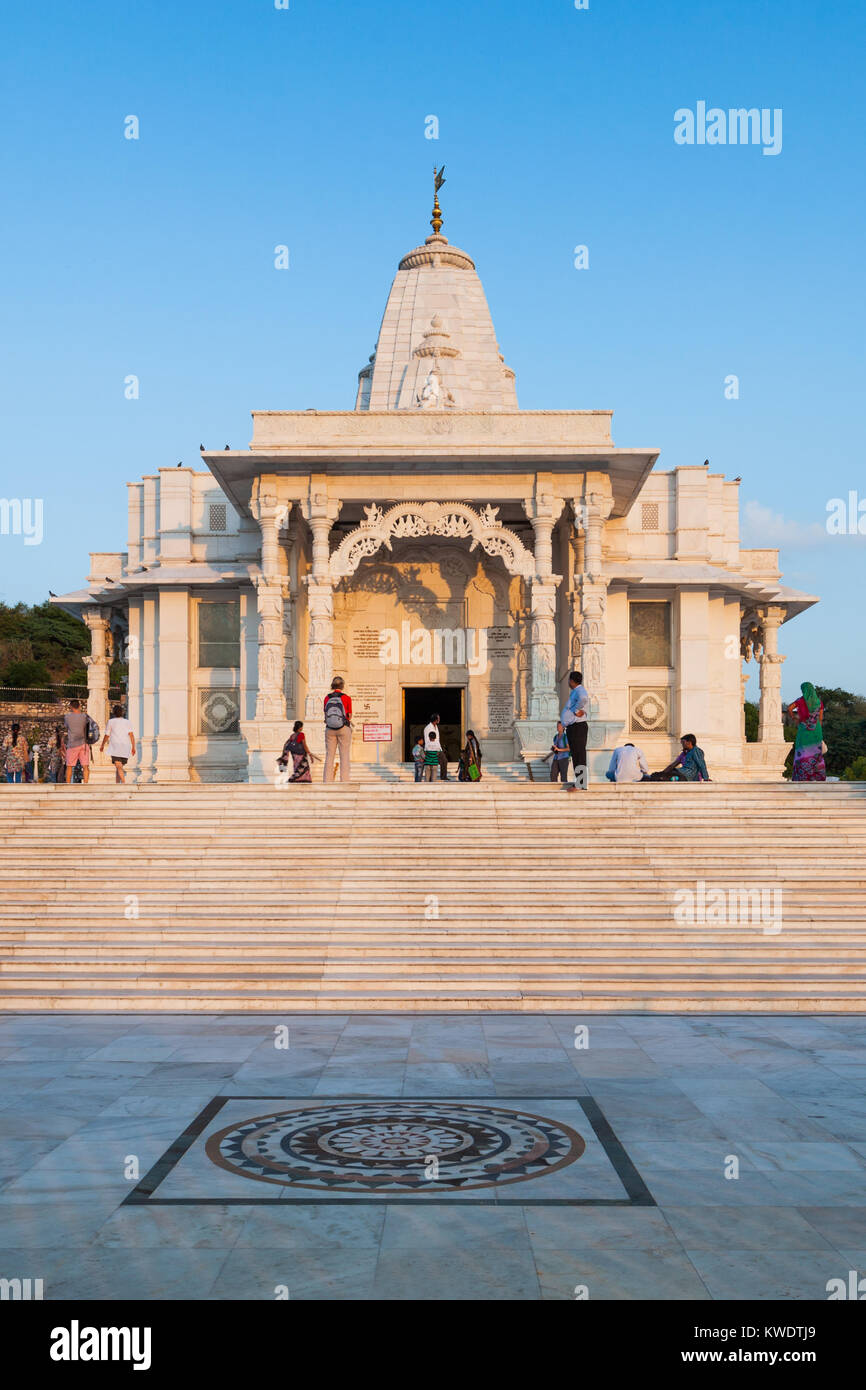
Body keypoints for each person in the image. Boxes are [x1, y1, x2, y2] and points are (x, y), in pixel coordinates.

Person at [787, 682, 827, 782]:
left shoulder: (800, 700)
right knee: (815, 752)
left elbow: (789, 708)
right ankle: (816, 776)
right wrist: (819, 731)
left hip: (804, 729)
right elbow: (821, 718)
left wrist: (794, 718)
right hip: (816, 730)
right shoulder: (819, 702)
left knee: (803, 751)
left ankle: (802, 775)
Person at [561, 670, 589, 790]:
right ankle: (579, 782)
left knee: (579, 755)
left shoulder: (579, 691)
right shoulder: (575, 691)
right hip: (574, 727)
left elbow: (583, 698)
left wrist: (576, 710)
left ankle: (581, 784)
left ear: (572, 681)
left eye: (569, 680)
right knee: (576, 755)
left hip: (578, 727)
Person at [323, 677, 352, 782]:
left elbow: (325, 714)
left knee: (329, 755)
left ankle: (327, 780)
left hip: (329, 729)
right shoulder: (346, 698)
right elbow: (349, 715)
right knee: (344, 755)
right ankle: (344, 780)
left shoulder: (327, 698)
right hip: (343, 728)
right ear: (342, 685)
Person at [100, 704, 136, 783]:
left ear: (114, 713)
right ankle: (117, 784)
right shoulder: (127, 722)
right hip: (125, 746)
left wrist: (102, 745)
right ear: (122, 712)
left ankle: (123, 782)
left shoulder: (111, 722)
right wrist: (133, 747)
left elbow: (107, 735)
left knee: (118, 766)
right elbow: (131, 735)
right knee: (119, 766)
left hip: (115, 746)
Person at [64, 699, 91, 784]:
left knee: (69, 766)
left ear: (71, 707)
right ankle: (86, 783)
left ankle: (68, 784)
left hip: (72, 744)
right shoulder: (85, 716)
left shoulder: (67, 717)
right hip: (84, 744)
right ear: (79, 706)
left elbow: (66, 727)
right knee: (85, 766)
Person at [423, 713, 449, 780]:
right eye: (438, 718)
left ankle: (443, 776)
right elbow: (427, 739)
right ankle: (430, 778)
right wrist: (427, 750)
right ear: (435, 719)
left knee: (444, 760)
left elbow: (437, 740)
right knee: (431, 764)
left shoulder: (436, 727)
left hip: (437, 748)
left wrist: (439, 749)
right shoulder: (428, 728)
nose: (439, 719)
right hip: (431, 749)